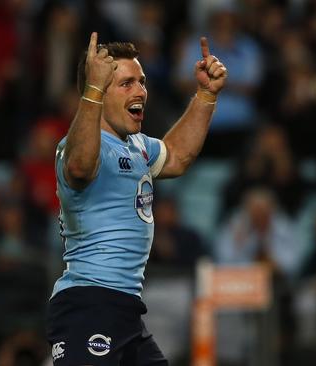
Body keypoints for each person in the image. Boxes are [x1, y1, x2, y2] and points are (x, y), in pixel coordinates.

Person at [46, 32, 227, 365]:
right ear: (98, 91)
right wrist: (93, 90)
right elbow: (80, 166)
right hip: (88, 307)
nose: (141, 91)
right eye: (126, 83)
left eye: (141, 82)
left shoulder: (138, 146)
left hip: (126, 311)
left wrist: (205, 95)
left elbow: (177, 156)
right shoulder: (76, 147)